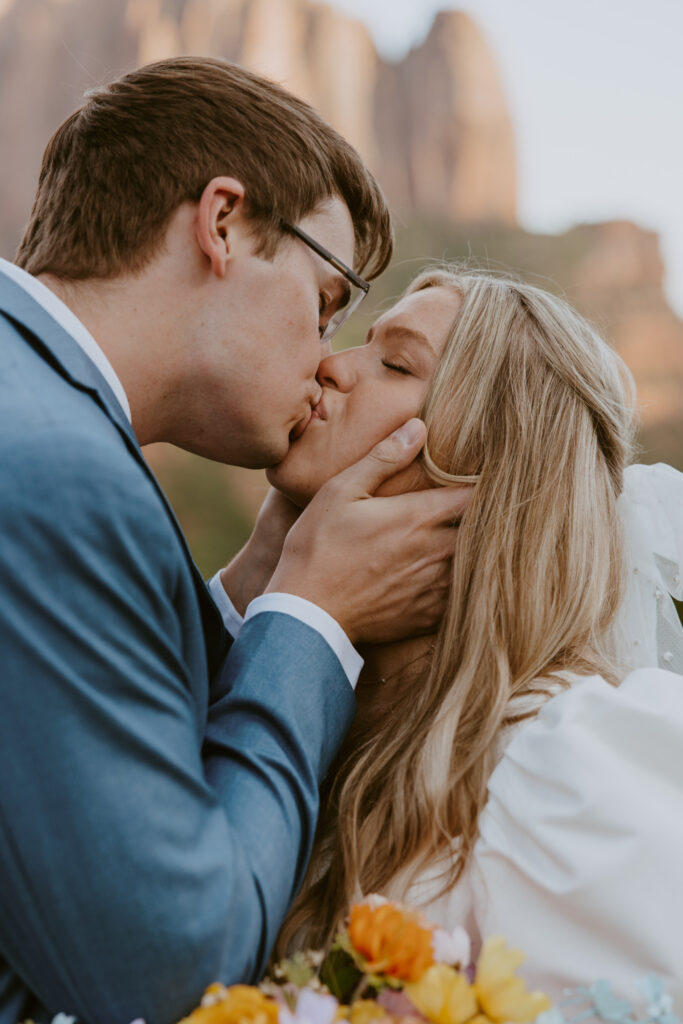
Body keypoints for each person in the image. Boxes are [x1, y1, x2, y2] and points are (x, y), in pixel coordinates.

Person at [0, 58, 470, 1024]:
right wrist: (313, 619)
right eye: (328, 300)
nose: (329, 360)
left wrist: (255, 589)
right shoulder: (62, 470)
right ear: (222, 223)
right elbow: (167, 967)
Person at [271, 267, 683, 1003]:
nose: (330, 363)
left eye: (395, 363)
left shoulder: (574, 770)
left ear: (484, 469)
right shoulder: (310, 737)